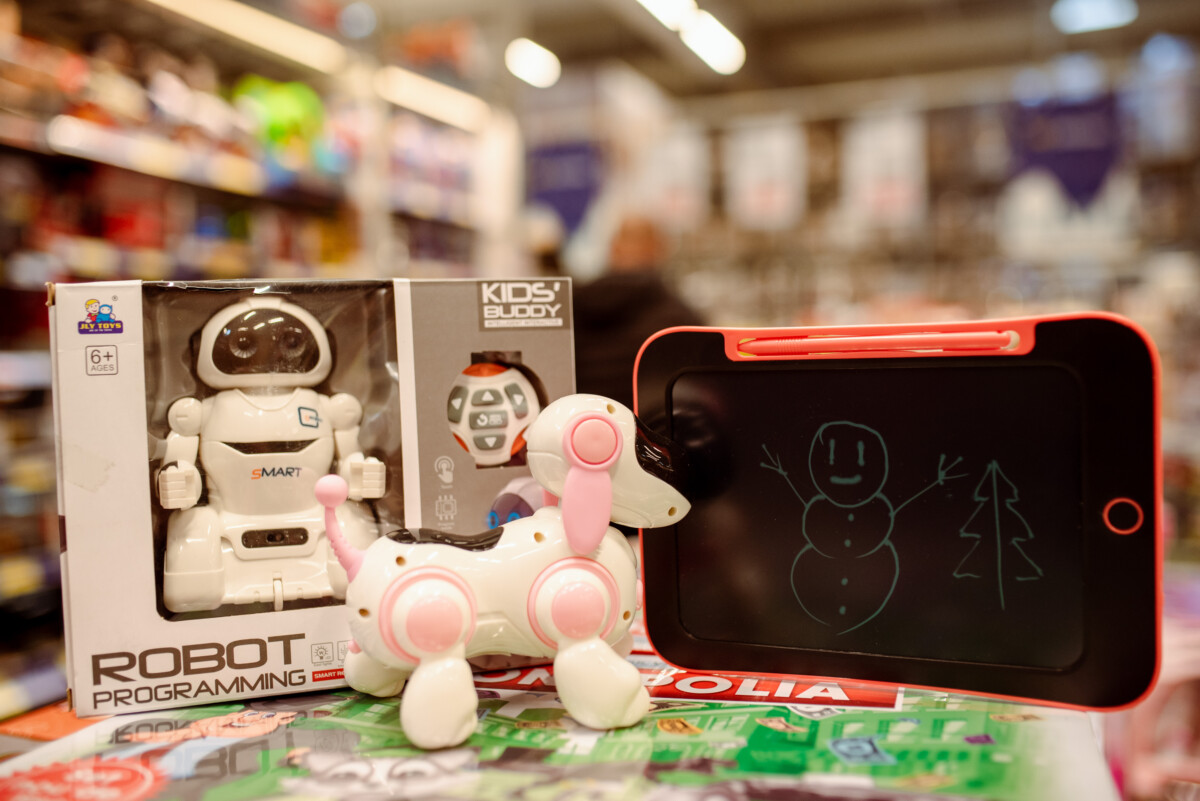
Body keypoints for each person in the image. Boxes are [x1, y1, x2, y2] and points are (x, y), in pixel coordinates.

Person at [572, 215, 704, 410]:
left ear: (613, 249)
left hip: (581, 420)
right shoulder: (682, 319)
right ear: (658, 250)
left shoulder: (571, 310)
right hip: (650, 425)